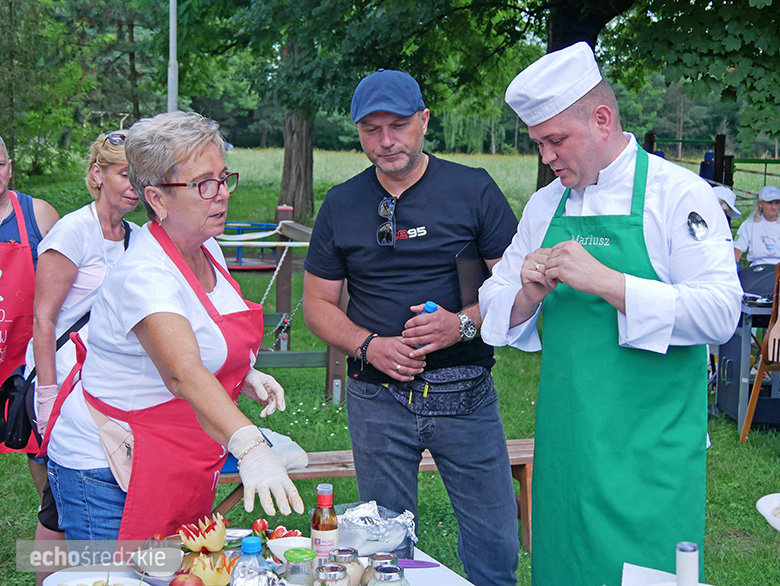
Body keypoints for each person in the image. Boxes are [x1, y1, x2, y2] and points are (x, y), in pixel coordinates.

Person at [479, 43, 742, 585]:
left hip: (652, 451)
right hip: (568, 445)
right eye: (539, 144)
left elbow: (721, 312)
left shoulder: (678, 195)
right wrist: (527, 294)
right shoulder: (544, 205)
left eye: (556, 140)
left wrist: (606, 282)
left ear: (601, 119)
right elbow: (493, 310)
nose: (547, 157)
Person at [39, 111, 304, 541]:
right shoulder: (144, 273)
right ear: (156, 199)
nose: (221, 195)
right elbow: (182, 371)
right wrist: (251, 446)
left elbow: (201, 333)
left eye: (223, 178)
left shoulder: (207, 246)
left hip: (177, 450)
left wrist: (243, 372)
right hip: (110, 464)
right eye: (203, 184)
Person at [303, 69, 520, 586]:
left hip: (464, 391)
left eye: (398, 126)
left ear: (423, 121)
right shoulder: (342, 203)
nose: (386, 141)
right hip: (377, 396)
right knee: (383, 547)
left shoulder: (473, 190)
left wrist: (461, 326)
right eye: (371, 130)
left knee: (496, 541)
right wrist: (367, 345)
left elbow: (519, 290)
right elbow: (316, 304)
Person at [27, 132, 139, 582]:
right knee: (59, 500)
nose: (134, 185)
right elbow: (43, 319)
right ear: (98, 174)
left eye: (139, 176)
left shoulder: (134, 236)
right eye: (124, 174)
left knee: (56, 503)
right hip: (65, 385)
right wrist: (48, 396)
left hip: (104, 387)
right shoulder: (73, 231)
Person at [0, 135, 59, 497]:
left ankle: (53, 516)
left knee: (43, 444)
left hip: (25, 356)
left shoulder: (37, 214)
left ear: (9, 167)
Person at [734, 184, 780, 266]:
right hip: (757, 267)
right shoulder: (750, 224)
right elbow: (737, 250)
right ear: (760, 203)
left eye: (777, 203)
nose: (774, 207)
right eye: (769, 203)